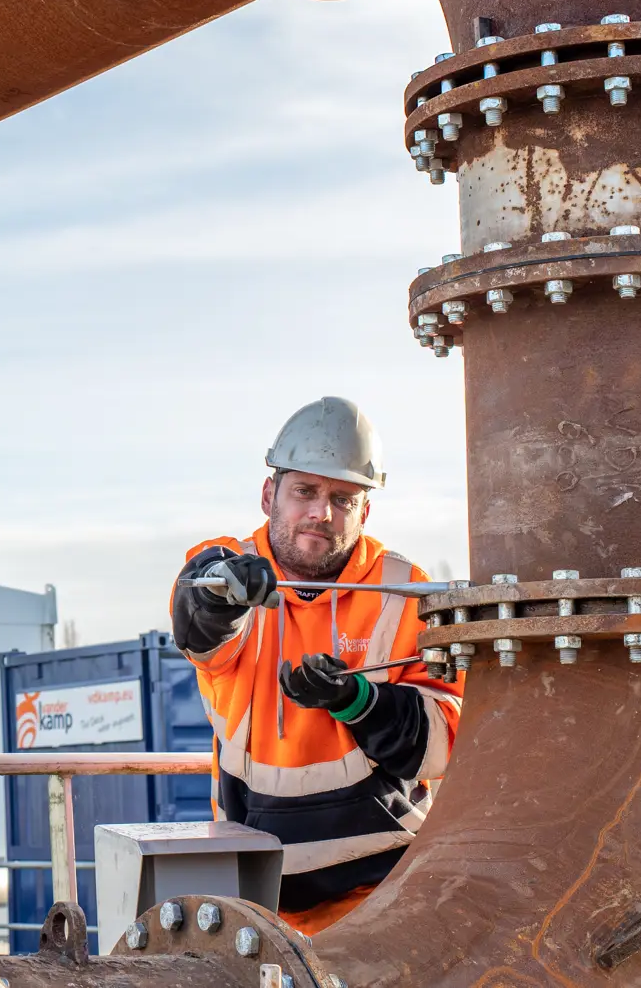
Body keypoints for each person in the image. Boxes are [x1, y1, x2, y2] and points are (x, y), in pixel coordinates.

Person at [167, 396, 461, 934]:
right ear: (268, 495)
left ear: (365, 511)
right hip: (257, 891)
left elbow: (444, 739)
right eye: (304, 491)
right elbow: (197, 620)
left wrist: (356, 702)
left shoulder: (404, 590)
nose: (320, 513)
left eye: (342, 498)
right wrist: (224, 591)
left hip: (383, 892)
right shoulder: (228, 570)